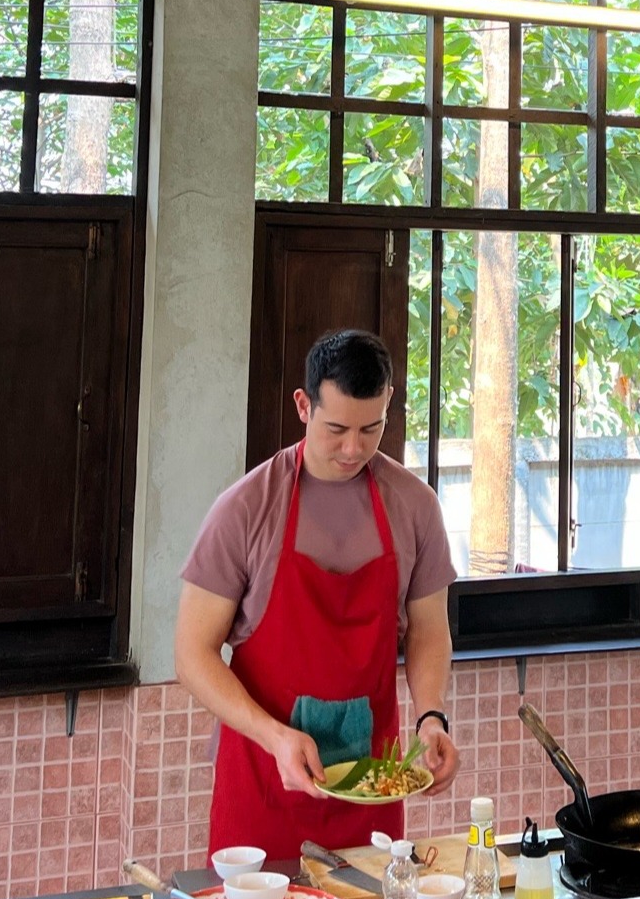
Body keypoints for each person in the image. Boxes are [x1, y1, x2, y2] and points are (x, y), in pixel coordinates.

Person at [175, 329, 460, 859]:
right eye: (336, 429)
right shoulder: (244, 509)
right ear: (303, 406)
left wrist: (431, 717)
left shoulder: (415, 508)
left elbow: (428, 630)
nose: (353, 449)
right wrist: (274, 736)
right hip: (264, 787)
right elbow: (192, 656)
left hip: (372, 790)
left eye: (370, 428)